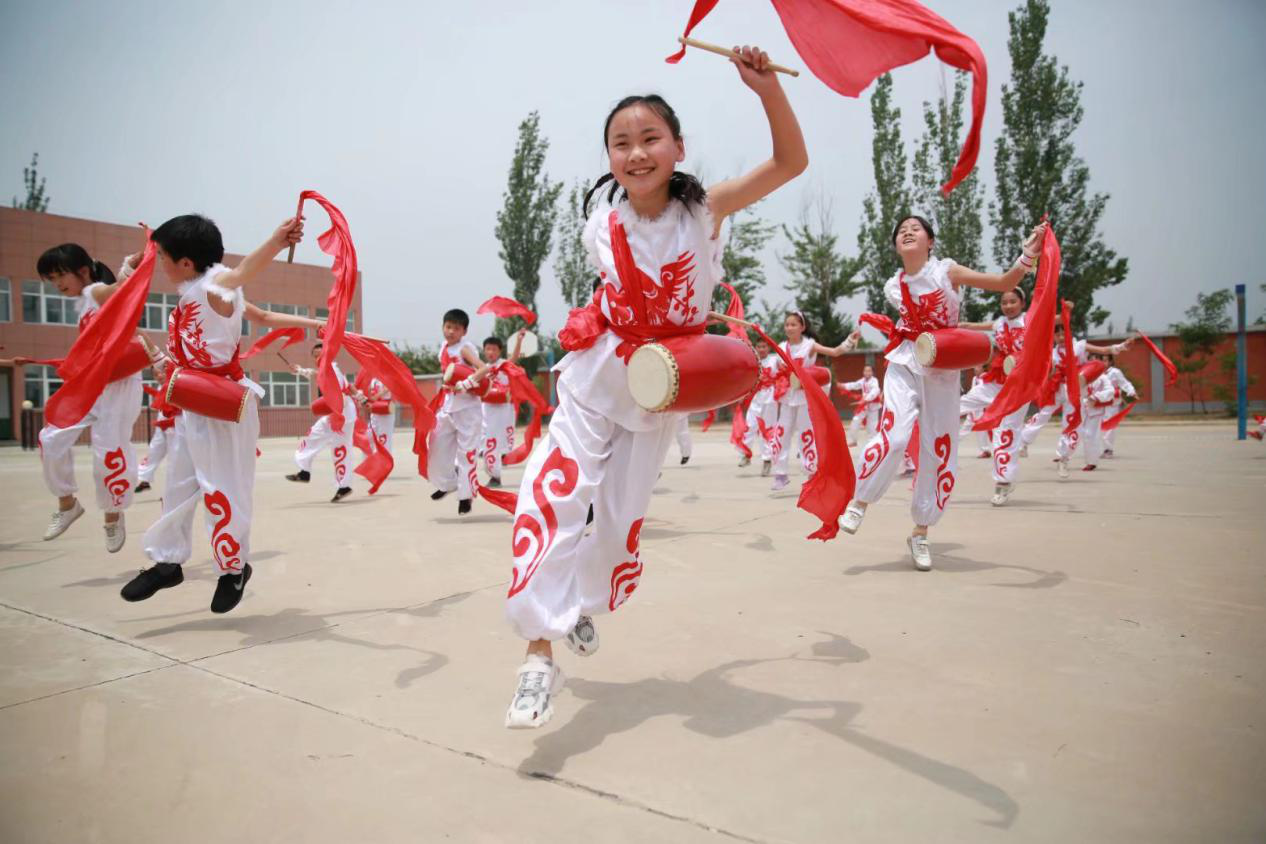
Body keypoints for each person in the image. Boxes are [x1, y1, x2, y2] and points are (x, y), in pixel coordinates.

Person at [503, 46, 808, 728]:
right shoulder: (598, 226)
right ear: (608, 156)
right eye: (621, 143)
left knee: (613, 531)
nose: (635, 153)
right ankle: (537, 657)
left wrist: (766, 92)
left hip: (659, 388)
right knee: (550, 497)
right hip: (595, 377)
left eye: (649, 139)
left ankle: (579, 604)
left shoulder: (705, 213)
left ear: (676, 147)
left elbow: (791, 165)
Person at [119, 213, 322, 613]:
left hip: (222, 404)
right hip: (191, 402)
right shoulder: (198, 289)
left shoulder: (215, 285)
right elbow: (262, 318)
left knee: (221, 489)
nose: (160, 263)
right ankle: (167, 562)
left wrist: (277, 241)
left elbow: (244, 271)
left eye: (163, 256)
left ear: (186, 262)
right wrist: (318, 322)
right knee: (177, 485)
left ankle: (233, 569)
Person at [838, 214, 1049, 571]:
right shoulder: (894, 285)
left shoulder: (945, 272)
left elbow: (1004, 282)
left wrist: (1028, 254)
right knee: (896, 434)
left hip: (943, 372)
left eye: (915, 228)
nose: (906, 231)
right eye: (900, 230)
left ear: (930, 241)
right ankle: (859, 502)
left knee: (939, 449)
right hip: (905, 362)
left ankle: (920, 532)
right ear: (896, 245)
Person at [29, 244, 143, 552]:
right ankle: (68, 504)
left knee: (108, 452)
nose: (57, 284)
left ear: (83, 271)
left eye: (60, 275)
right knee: (51, 438)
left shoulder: (94, 293)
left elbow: (119, 289)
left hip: (119, 386)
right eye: (51, 279)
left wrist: (131, 264)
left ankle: (113, 515)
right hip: (93, 385)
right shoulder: (84, 303)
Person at [1020, 325, 1130, 478]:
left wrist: (1118, 347)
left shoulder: (1079, 346)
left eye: (1062, 333)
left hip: (1075, 389)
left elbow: (1102, 351)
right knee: (1044, 413)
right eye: (1057, 334)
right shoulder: (1052, 353)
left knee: (1070, 424)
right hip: (1057, 388)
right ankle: (1023, 442)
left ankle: (1064, 459)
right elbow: (1047, 371)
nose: (1060, 337)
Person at [957, 288, 1029, 505]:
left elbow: (1050, 318)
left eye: (1013, 301)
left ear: (1022, 303)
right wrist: (954, 325)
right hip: (997, 379)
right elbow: (972, 326)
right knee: (962, 402)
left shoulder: (1030, 321)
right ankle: (922, 421)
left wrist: (1065, 312)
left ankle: (1003, 483)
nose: (1008, 305)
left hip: (1018, 387)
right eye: (1004, 302)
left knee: (1005, 433)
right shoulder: (999, 323)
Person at [769, 313, 854, 491]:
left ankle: (811, 473)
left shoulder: (809, 345)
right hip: (786, 396)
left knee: (806, 435)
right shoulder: (781, 347)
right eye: (787, 324)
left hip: (804, 398)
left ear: (802, 327)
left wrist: (849, 342)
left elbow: (835, 352)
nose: (789, 328)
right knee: (781, 434)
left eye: (793, 324)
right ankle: (780, 474)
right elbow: (774, 370)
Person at [428, 308, 484, 514]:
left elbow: (483, 368)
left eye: (456, 328)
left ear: (464, 331)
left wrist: (467, 383)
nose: (451, 331)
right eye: (448, 326)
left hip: (468, 408)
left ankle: (466, 497)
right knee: (435, 445)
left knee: (466, 454)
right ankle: (448, 483)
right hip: (448, 406)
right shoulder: (443, 347)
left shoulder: (464, 348)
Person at [287, 342, 356, 502]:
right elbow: (344, 383)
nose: (318, 357)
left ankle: (344, 486)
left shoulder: (332, 368)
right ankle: (304, 471)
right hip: (335, 412)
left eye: (321, 354)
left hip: (343, 413)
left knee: (340, 449)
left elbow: (342, 389)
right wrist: (301, 371)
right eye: (316, 355)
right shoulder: (327, 368)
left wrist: (344, 407)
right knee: (313, 436)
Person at [742, 336, 779, 472]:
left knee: (767, 429)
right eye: (759, 347)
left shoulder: (775, 360)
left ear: (768, 348)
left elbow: (785, 369)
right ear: (755, 348)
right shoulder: (753, 361)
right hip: (756, 397)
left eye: (764, 347)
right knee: (750, 424)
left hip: (770, 398)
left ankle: (767, 459)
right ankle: (746, 454)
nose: (762, 349)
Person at [838, 354, 878, 448]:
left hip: (873, 406)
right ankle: (853, 440)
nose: (867, 372)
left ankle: (873, 444)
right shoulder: (863, 381)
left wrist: (866, 399)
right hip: (863, 406)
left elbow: (875, 391)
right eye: (865, 370)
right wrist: (843, 385)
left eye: (869, 371)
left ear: (872, 372)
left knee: (872, 426)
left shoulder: (874, 381)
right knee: (855, 420)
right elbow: (854, 385)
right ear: (863, 372)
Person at [1100, 356, 1137, 457]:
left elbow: (1124, 383)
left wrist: (1131, 391)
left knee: (1110, 426)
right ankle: (1104, 448)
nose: (1103, 362)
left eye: (1105, 360)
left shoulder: (1115, 372)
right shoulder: (1099, 372)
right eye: (1102, 360)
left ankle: (1108, 449)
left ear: (1111, 361)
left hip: (1112, 403)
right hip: (1100, 402)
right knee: (1100, 426)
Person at [136, 407, 179, 493]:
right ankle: (143, 478)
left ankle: (175, 491)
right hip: (165, 411)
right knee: (155, 448)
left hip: (177, 413)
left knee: (176, 453)